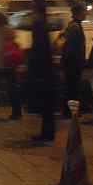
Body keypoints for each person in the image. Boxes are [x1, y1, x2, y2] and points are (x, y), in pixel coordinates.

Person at [28, 10, 56, 142]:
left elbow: (38, 56)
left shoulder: (39, 36)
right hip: (47, 73)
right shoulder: (44, 34)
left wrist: (35, 73)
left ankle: (47, 133)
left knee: (46, 106)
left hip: (43, 74)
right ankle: (48, 132)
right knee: (47, 107)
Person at [60, 3, 86, 118]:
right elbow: (71, 47)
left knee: (72, 87)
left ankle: (70, 111)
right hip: (73, 63)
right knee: (72, 88)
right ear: (79, 13)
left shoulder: (74, 26)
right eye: (84, 11)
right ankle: (70, 112)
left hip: (73, 62)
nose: (86, 13)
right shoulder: (74, 27)